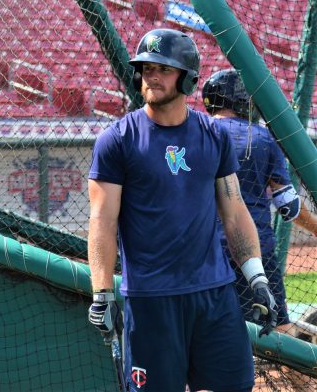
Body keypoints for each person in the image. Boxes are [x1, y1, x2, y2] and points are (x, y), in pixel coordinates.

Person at [87, 29, 276, 392]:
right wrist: (102, 293)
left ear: (187, 77)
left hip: (214, 294)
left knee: (236, 385)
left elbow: (235, 212)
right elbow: (102, 222)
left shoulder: (214, 135)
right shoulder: (117, 140)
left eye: (163, 68)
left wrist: (257, 278)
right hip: (151, 299)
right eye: (145, 68)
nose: (151, 76)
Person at [202, 68, 317, 334]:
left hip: (201, 250)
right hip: (254, 248)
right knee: (278, 328)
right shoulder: (262, 136)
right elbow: (289, 208)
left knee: (205, 330)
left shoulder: (195, 132)